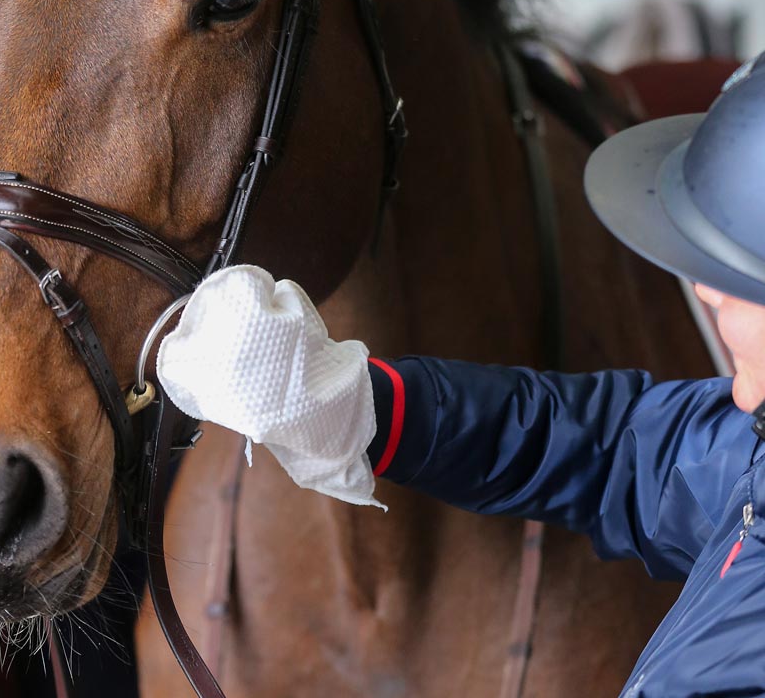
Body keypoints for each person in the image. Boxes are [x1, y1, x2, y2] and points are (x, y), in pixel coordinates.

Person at [157, 52, 765, 698]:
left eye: (737, 278)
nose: (703, 290)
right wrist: (360, 408)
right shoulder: (748, 451)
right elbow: (616, 450)